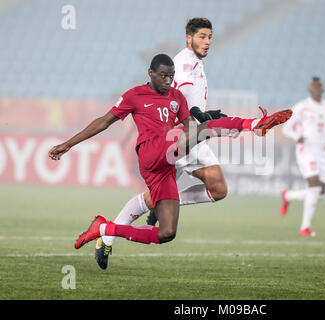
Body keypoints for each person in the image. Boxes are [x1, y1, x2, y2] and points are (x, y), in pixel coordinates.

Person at [48, 53, 293, 252]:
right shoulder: (134, 95)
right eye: (163, 76)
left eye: (171, 76)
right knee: (201, 130)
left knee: (167, 233)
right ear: (151, 73)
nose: (168, 80)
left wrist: (208, 131)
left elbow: (189, 129)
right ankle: (254, 125)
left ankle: (104, 229)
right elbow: (103, 121)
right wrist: (68, 144)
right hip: (150, 151)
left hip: (164, 166)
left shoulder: (176, 97)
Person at [94, 17, 232, 270]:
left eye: (210, 37)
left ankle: (108, 235)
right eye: (202, 36)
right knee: (219, 188)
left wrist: (207, 118)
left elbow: (189, 106)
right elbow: (166, 98)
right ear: (188, 37)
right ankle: (121, 226)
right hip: (180, 139)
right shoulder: (180, 65)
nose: (207, 42)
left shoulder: (195, 64)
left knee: (152, 198)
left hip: (189, 136)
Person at [280, 77, 325, 237]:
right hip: (306, 150)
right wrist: (296, 136)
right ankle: (305, 227)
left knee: (321, 191)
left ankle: (288, 195)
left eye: (319, 87)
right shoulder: (302, 107)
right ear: (310, 90)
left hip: (321, 152)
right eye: (313, 87)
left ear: (322, 90)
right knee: (314, 185)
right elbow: (286, 128)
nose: (316, 90)